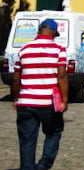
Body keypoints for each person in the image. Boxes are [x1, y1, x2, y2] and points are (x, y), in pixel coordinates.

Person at [11, 19, 68, 170]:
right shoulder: (59, 49)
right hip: (48, 103)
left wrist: (16, 98)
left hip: (26, 102)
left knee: (27, 141)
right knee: (54, 133)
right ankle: (42, 166)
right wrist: (65, 100)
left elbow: (16, 78)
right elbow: (61, 75)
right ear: (54, 32)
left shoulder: (24, 49)